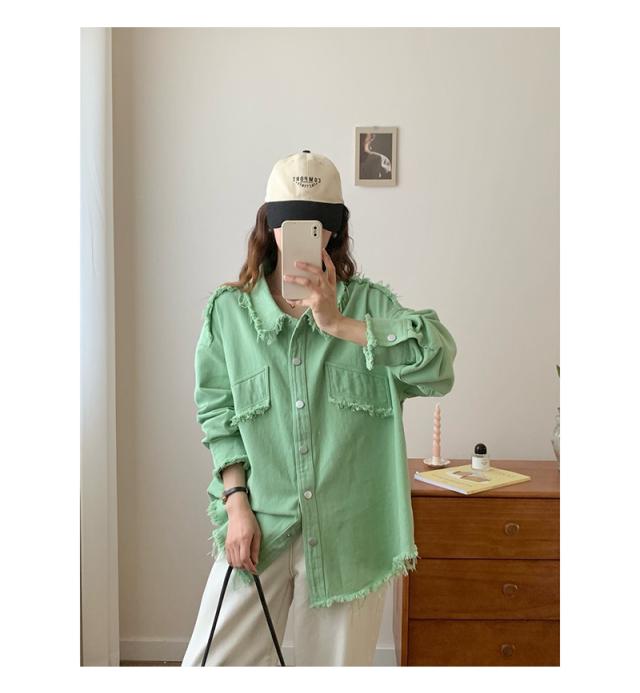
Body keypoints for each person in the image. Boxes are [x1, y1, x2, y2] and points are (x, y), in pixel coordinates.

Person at [181, 150, 457, 666]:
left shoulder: (371, 307)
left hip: (350, 537)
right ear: (269, 224)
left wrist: (341, 325)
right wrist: (236, 505)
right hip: (259, 524)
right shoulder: (229, 314)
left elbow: (438, 364)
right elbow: (219, 417)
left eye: (316, 223)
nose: (301, 235)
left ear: (334, 230)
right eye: (288, 221)